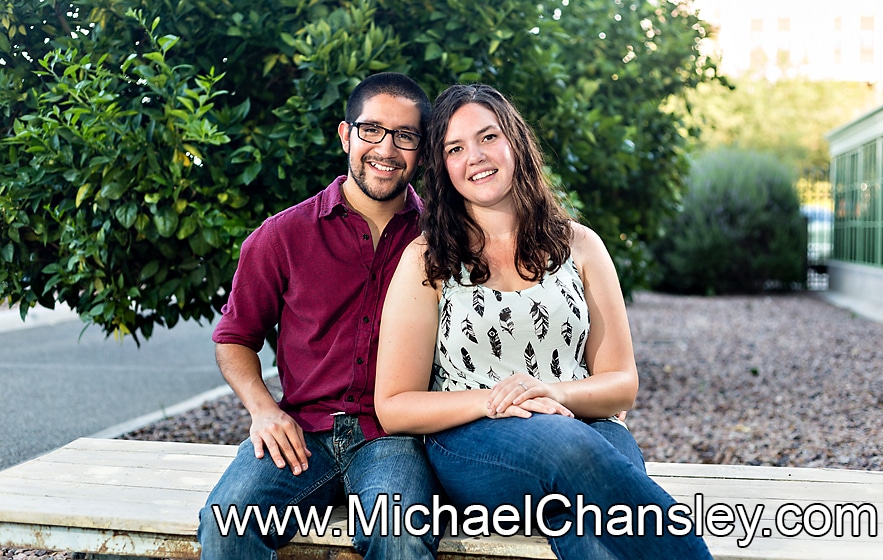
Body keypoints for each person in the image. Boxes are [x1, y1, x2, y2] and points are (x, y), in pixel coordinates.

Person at [375, 84, 713, 559]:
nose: (475, 156)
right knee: (572, 452)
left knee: (591, 531)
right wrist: (498, 399)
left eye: (488, 137)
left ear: (515, 141)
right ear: (444, 167)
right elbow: (393, 406)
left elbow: (622, 384)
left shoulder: (581, 246)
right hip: (474, 442)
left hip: (588, 427)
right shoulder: (427, 260)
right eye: (455, 148)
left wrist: (552, 392)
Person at [198, 72, 443, 559]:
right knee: (227, 524)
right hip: (300, 432)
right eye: (371, 129)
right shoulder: (282, 235)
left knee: (400, 535)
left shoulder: (443, 238)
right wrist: (264, 411)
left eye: (406, 136)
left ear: (422, 148)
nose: (386, 149)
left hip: (392, 438)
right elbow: (234, 336)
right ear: (346, 134)